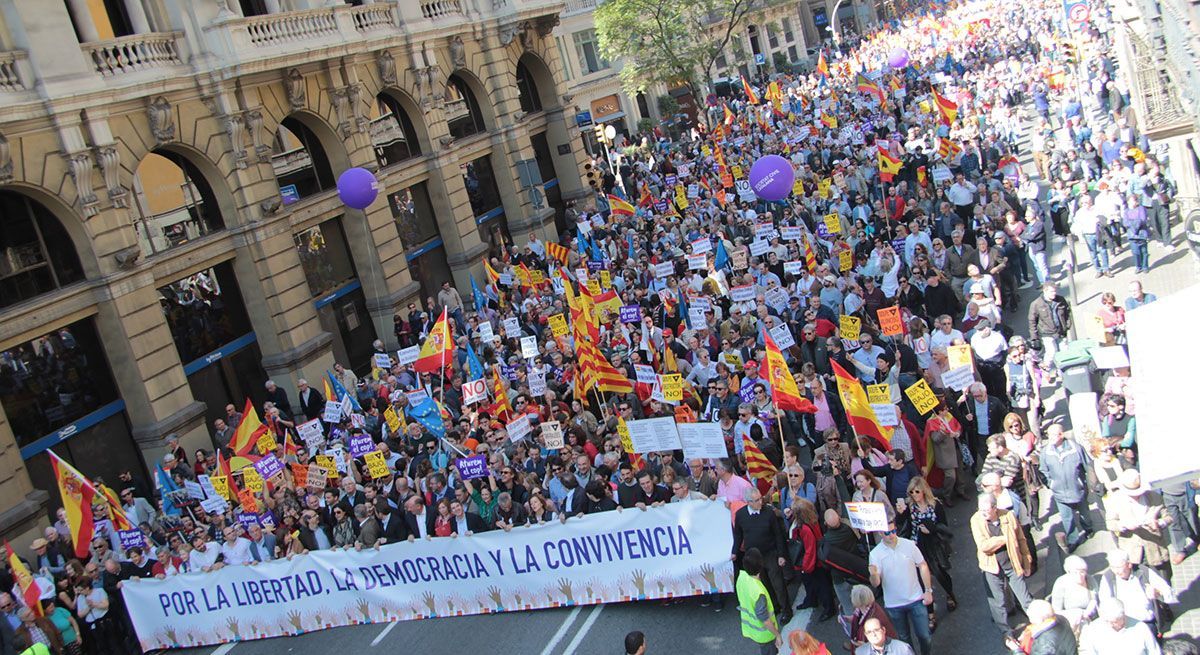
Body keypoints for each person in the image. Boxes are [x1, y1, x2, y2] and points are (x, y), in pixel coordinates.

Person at [868, 520, 934, 655]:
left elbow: (922, 565)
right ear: (881, 533)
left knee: (924, 636)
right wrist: (874, 574)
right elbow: (876, 583)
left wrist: (928, 590)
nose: (891, 535)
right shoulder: (875, 554)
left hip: (916, 598)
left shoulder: (908, 545)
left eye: (893, 531)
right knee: (904, 640)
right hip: (894, 605)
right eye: (887, 533)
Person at [970, 493, 1033, 632]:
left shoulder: (1008, 516)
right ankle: (1006, 633)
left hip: (1012, 564)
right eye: (980, 510)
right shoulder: (976, 520)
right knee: (998, 604)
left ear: (995, 508)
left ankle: (1037, 623)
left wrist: (1027, 562)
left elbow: (1021, 539)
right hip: (991, 568)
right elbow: (984, 546)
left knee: (1025, 598)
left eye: (986, 510)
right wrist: (1004, 539)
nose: (983, 513)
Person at [732, 488, 791, 625]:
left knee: (778, 584)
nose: (761, 502)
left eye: (760, 498)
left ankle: (786, 609)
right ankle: (775, 606)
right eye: (757, 500)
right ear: (749, 502)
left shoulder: (768, 512)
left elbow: (778, 535)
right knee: (764, 584)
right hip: (754, 557)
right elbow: (738, 535)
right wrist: (734, 552)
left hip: (770, 553)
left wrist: (781, 555)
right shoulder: (740, 515)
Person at [1040, 424, 1094, 552]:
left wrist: (1089, 483)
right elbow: (1043, 470)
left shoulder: (1076, 448)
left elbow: (1088, 466)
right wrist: (1051, 483)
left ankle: (1088, 528)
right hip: (1059, 492)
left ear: (1061, 435)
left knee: (1084, 513)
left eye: (1054, 434)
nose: (1051, 437)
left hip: (1077, 489)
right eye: (1049, 435)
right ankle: (1073, 539)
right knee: (1067, 517)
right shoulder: (1045, 452)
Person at [1097, 549, 1176, 636]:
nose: (1116, 571)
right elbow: (1104, 603)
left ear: (1129, 564)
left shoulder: (1144, 572)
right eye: (1112, 567)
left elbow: (1169, 593)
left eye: (1119, 567)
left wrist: (1157, 592)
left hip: (1146, 623)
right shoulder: (1108, 578)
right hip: (1123, 626)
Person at [736, 548, 784, 655]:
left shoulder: (742, 578)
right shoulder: (758, 592)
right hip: (765, 634)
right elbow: (765, 619)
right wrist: (777, 635)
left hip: (752, 630)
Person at [1079, 600, 1161, 655]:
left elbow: (1155, 651)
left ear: (1124, 615)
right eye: (1111, 622)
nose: (1115, 625)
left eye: (1119, 620)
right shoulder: (1091, 631)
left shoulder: (1140, 627)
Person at [1027, 283, 1072, 379]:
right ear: (1045, 291)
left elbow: (1067, 312)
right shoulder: (1036, 304)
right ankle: (1046, 369)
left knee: (1064, 352)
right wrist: (1034, 337)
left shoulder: (1060, 300)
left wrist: (1068, 324)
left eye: (1055, 291)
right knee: (1051, 352)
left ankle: (1062, 371)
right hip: (1046, 333)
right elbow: (1032, 321)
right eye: (1052, 291)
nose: (1054, 293)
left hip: (1060, 331)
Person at [1005, 599, 1077, 655]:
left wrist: (1016, 650)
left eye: (1030, 616)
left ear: (1039, 620)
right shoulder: (1061, 619)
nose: (1028, 614)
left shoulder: (1044, 646)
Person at [1051, 555, 1099, 631]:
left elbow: (1095, 599)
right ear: (1068, 572)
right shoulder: (1061, 584)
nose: (1079, 576)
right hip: (1071, 621)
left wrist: (1089, 610)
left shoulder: (1090, 580)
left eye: (1082, 572)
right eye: (1075, 572)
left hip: (1089, 617)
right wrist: (1075, 613)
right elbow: (1056, 611)